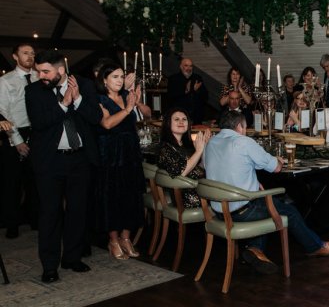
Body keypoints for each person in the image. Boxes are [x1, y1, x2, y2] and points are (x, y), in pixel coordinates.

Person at [204, 110, 329, 274]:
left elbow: (221, 168)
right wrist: (279, 160)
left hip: (218, 210)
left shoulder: (211, 143)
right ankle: (316, 247)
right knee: (288, 209)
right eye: (245, 127)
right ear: (239, 126)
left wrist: (252, 180)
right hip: (242, 211)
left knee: (266, 203)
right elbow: (275, 168)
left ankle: (254, 249)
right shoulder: (243, 142)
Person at [25, 50, 102, 283]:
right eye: (39, 71)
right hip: (49, 161)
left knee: (78, 211)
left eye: (46, 71)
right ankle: (49, 266)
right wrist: (63, 104)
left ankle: (72, 257)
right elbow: (38, 122)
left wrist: (77, 100)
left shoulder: (85, 86)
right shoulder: (33, 91)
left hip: (79, 159)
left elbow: (96, 118)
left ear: (61, 70)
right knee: (50, 213)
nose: (41, 76)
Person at [95, 63, 146, 260]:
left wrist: (137, 104)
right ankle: (113, 240)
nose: (119, 80)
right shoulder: (100, 100)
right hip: (110, 154)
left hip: (130, 153)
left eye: (121, 76)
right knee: (112, 197)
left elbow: (143, 116)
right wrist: (127, 109)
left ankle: (126, 237)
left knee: (131, 196)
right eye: (115, 77)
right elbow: (107, 123)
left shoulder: (127, 96)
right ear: (105, 81)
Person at [0, 43, 38, 239]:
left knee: (35, 180)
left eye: (32, 53)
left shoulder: (40, 77)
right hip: (15, 132)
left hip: (37, 132)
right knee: (13, 183)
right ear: (15, 57)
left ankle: (34, 219)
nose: (30, 56)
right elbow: (3, 112)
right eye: (25, 53)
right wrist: (17, 141)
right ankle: (12, 224)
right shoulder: (6, 81)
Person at [158, 108, 211, 208]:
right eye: (176, 119)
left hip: (198, 188)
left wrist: (203, 149)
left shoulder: (186, 144)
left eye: (184, 119)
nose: (181, 122)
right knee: (223, 199)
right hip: (187, 196)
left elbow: (200, 167)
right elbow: (182, 172)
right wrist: (199, 151)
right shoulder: (166, 147)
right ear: (168, 123)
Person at [167, 58, 209, 125]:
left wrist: (196, 90)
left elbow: (206, 96)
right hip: (179, 117)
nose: (189, 68)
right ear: (181, 67)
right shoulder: (173, 79)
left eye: (191, 66)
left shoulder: (197, 78)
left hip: (196, 118)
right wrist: (186, 91)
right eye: (186, 65)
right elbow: (171, 97)